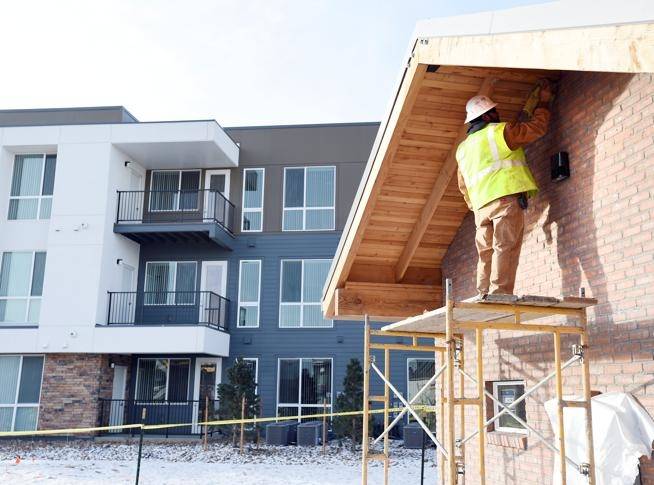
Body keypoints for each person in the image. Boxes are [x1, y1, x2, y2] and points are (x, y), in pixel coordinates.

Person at [455, 80, 553, 296]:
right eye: (494, 111)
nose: (497, 113)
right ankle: (500, 293)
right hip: (505, 200)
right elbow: (536, 128)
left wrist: (476, 206)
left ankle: (483, 292)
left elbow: (463, 185)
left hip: (480, 208)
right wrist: (544, 104)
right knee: (505, 247)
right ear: (487, 115)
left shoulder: (462, 150)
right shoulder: (500, 131)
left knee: (486, 253)